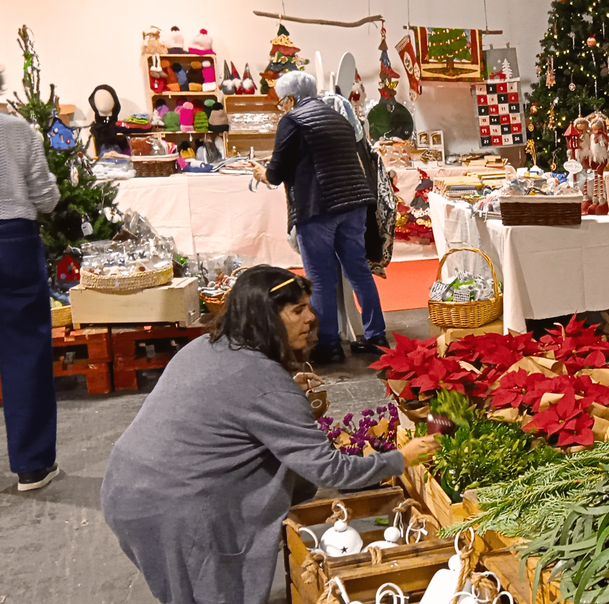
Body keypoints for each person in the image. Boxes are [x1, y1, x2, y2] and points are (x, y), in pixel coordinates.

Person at [101, 266, 438, 604]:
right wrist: (401, 458)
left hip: (126, 488)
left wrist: (284, 399)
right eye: (297, 310)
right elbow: (330, 470)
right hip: (176, 511)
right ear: (265, 317)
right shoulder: (267, 386)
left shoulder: (206, 345)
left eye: (308, 306)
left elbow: (228, 405)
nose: (311, 317)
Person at [254, 70, 387, 365]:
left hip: (318, 207)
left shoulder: (293, 120)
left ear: (290, 98)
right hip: (354, 204)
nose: (281, 107)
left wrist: (261, 173)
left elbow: (276, 172)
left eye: (280, 102)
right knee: (359, 271)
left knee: (321, 279)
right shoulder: (336, 116)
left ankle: (329, 344)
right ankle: (376, 336)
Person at [0, 66, 63, 492]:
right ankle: (32, 466)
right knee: (25, 350)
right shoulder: (18, 130)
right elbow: (46, 196)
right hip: (13, 240)